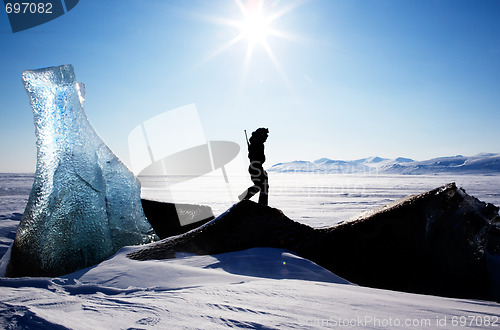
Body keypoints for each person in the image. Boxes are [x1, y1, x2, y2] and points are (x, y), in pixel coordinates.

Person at [239, 128, 269, 205]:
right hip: (256, 166)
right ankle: (262, 204)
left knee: (261, 185)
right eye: (265, 136)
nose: (266, 138)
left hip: (256, 166)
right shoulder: (258, 144)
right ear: (261, 135)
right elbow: (257, 157)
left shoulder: (256, 143)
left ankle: (245, 196)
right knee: (263, 185)